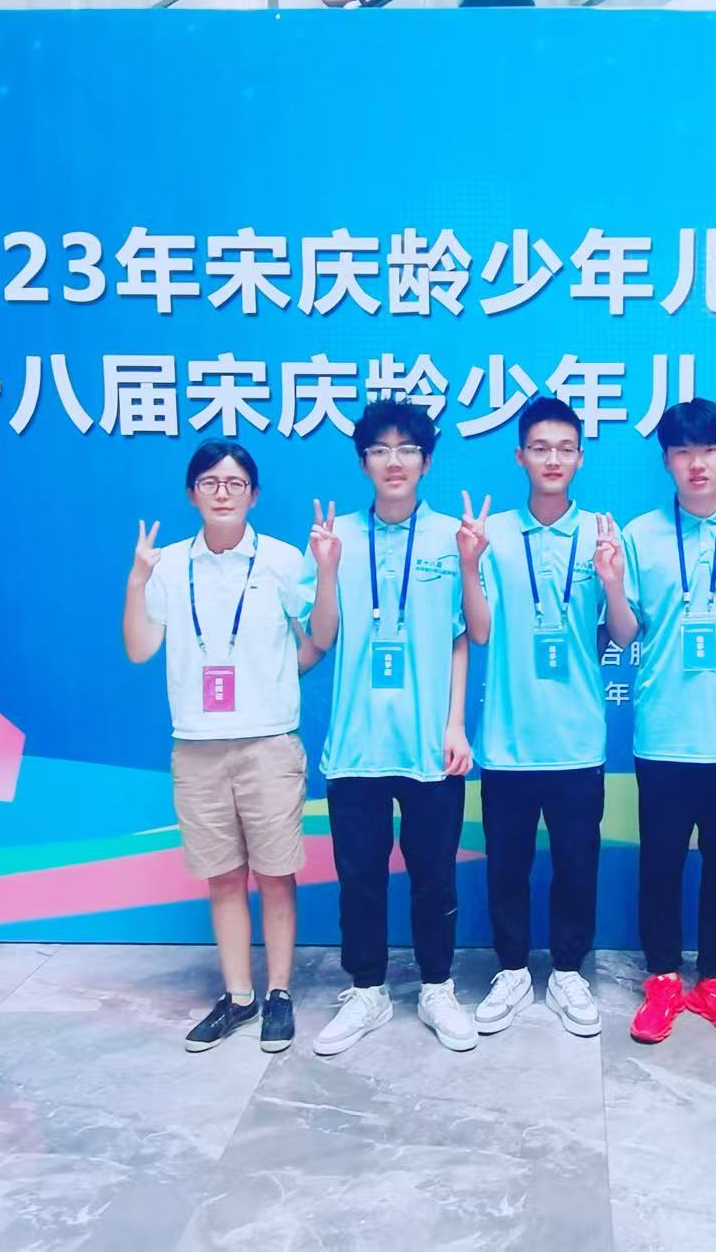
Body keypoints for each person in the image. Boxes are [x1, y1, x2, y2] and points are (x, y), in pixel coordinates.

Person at [122, 439, 317, 1056]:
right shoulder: (167, 566)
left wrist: (276, 681)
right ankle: (238, 997)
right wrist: (136, 578)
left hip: (268, 743)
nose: (222, 492)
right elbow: (139, 649)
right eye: (210, 482)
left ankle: (279, 993)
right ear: (192, 494)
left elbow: (316, 638)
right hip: (197, 748)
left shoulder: (284, 560)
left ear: (253, 495)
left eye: (234, 483)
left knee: (276, 874)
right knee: (224, 877)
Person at [597, 398, 716, 1044]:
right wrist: (612, 585)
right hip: (663, 732)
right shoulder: (640, 534)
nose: (696, 463)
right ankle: (664, 980)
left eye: (708, 449)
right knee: (661, 864)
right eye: (682, 451)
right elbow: (623, 634)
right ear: (666, 459)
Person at [305, 401, 479, 1055]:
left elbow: (466, 636)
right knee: (360, 879)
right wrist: (326, 570)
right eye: (380, 449)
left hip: (431, 746)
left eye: (407, 448)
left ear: (426, 461)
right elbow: (322, 636)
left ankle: (437, 986)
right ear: (364, 463)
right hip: (357, 745)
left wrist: (455, 724)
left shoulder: (452, 536)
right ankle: (368, 991)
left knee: (435, 876)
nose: (394, 460)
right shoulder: (336, 537)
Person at [462, 398, 607, 1039]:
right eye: (540, 448)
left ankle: (569, 970)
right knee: (507, 865)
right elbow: (481, 631)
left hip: (578, 739)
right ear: (520, 455)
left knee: (577, 864)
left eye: (565, 448)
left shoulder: (602, 532)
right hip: (508, 740)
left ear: (580, 457)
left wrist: (614, 580)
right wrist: (470, 564)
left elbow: (620, 630)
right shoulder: (493, 535)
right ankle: (513, 969)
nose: (553, 459)